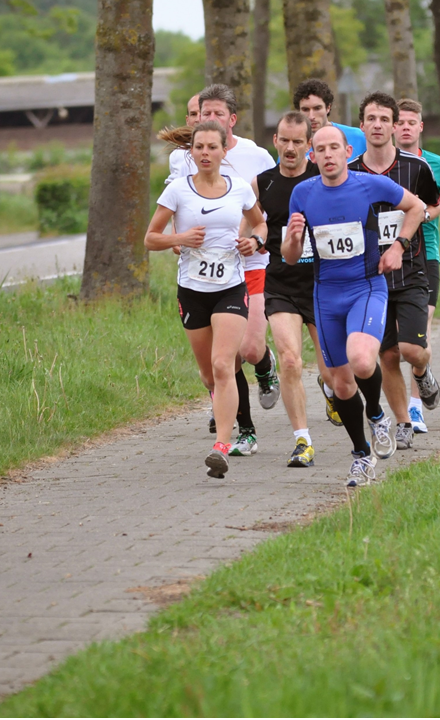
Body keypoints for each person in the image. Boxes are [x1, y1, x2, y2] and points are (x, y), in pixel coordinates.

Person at [285, 125, 426, 486]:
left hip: (366, 287)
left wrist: (398, 247)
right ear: (311, 156)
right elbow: (289, 257)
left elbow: (416, 207)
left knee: (363, 359)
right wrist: (294, 239)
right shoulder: (302, 193)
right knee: (341, 385)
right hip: (325, 294)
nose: (328, 155)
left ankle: (378, 414)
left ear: (348, 151)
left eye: (335, 147)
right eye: (321, 149)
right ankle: (362, 455)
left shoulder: (369, 185)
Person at [145, 121, 268, 479]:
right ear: (191, 151)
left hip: (231, 287)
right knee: (207, 374)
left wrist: (254, 242)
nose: (205, 153)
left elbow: (260, 225)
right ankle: (231, 422)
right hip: (193, 289)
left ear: (223, 151)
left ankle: (222, 446)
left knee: (222, 364)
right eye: (199, 147)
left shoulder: (240, 188)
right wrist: (179, 237)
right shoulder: (177, 192)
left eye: (212, 147)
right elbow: (150, 239)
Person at [180, 84, 280, 458]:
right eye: (203, 113)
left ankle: (267, 366)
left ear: (232, 120)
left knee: (251, 349)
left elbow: (270, 206)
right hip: (201, 276)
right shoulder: (184, 159)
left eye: (218, 114)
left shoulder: (255, 156)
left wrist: (256, 239)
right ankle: (243, 430)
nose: (209, 120)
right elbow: (174, 206)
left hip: (249, 265)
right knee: (223, 362)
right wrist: (178, 238)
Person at [347, 92, 440, 451]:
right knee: (386, 355)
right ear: (362, 125)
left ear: (392, 125)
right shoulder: (350, 171)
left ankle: (423, 372)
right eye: (371, 118)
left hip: (411, 272)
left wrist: (403, 238)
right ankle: (403, 421)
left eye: (384, 119)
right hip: (370, 280)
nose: (377, 125)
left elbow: (431, 205)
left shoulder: (416, 168)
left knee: (412, 350)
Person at [252, 111, 325, 468]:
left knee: (334, 373)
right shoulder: (261, 183)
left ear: (309, 146)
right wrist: (251, 238)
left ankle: (334, 391)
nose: (291, 148)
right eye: (285, 140)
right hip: (281, 282)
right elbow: (250, 223)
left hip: (324, 284)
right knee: (291, 360)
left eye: (299, 141)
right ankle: (302, 440)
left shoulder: (323, 177)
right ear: (275, 141)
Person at [393, 98, 440, 434]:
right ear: (393, 127)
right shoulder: (377, 166)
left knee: (420, 328)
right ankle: (414, 386)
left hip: (426, 254)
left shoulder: (436, 164)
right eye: (401, 122)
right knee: (392, 339)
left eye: (412, 122)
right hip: (387, 257)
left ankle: (415, 405)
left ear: (421, 127)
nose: (406, 127)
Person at [292, 78, 366, 163]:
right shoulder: (291, 146)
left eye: (317, 108)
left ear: (328, 108)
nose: (311, 116)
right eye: (305, 109)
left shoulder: (358, 137)